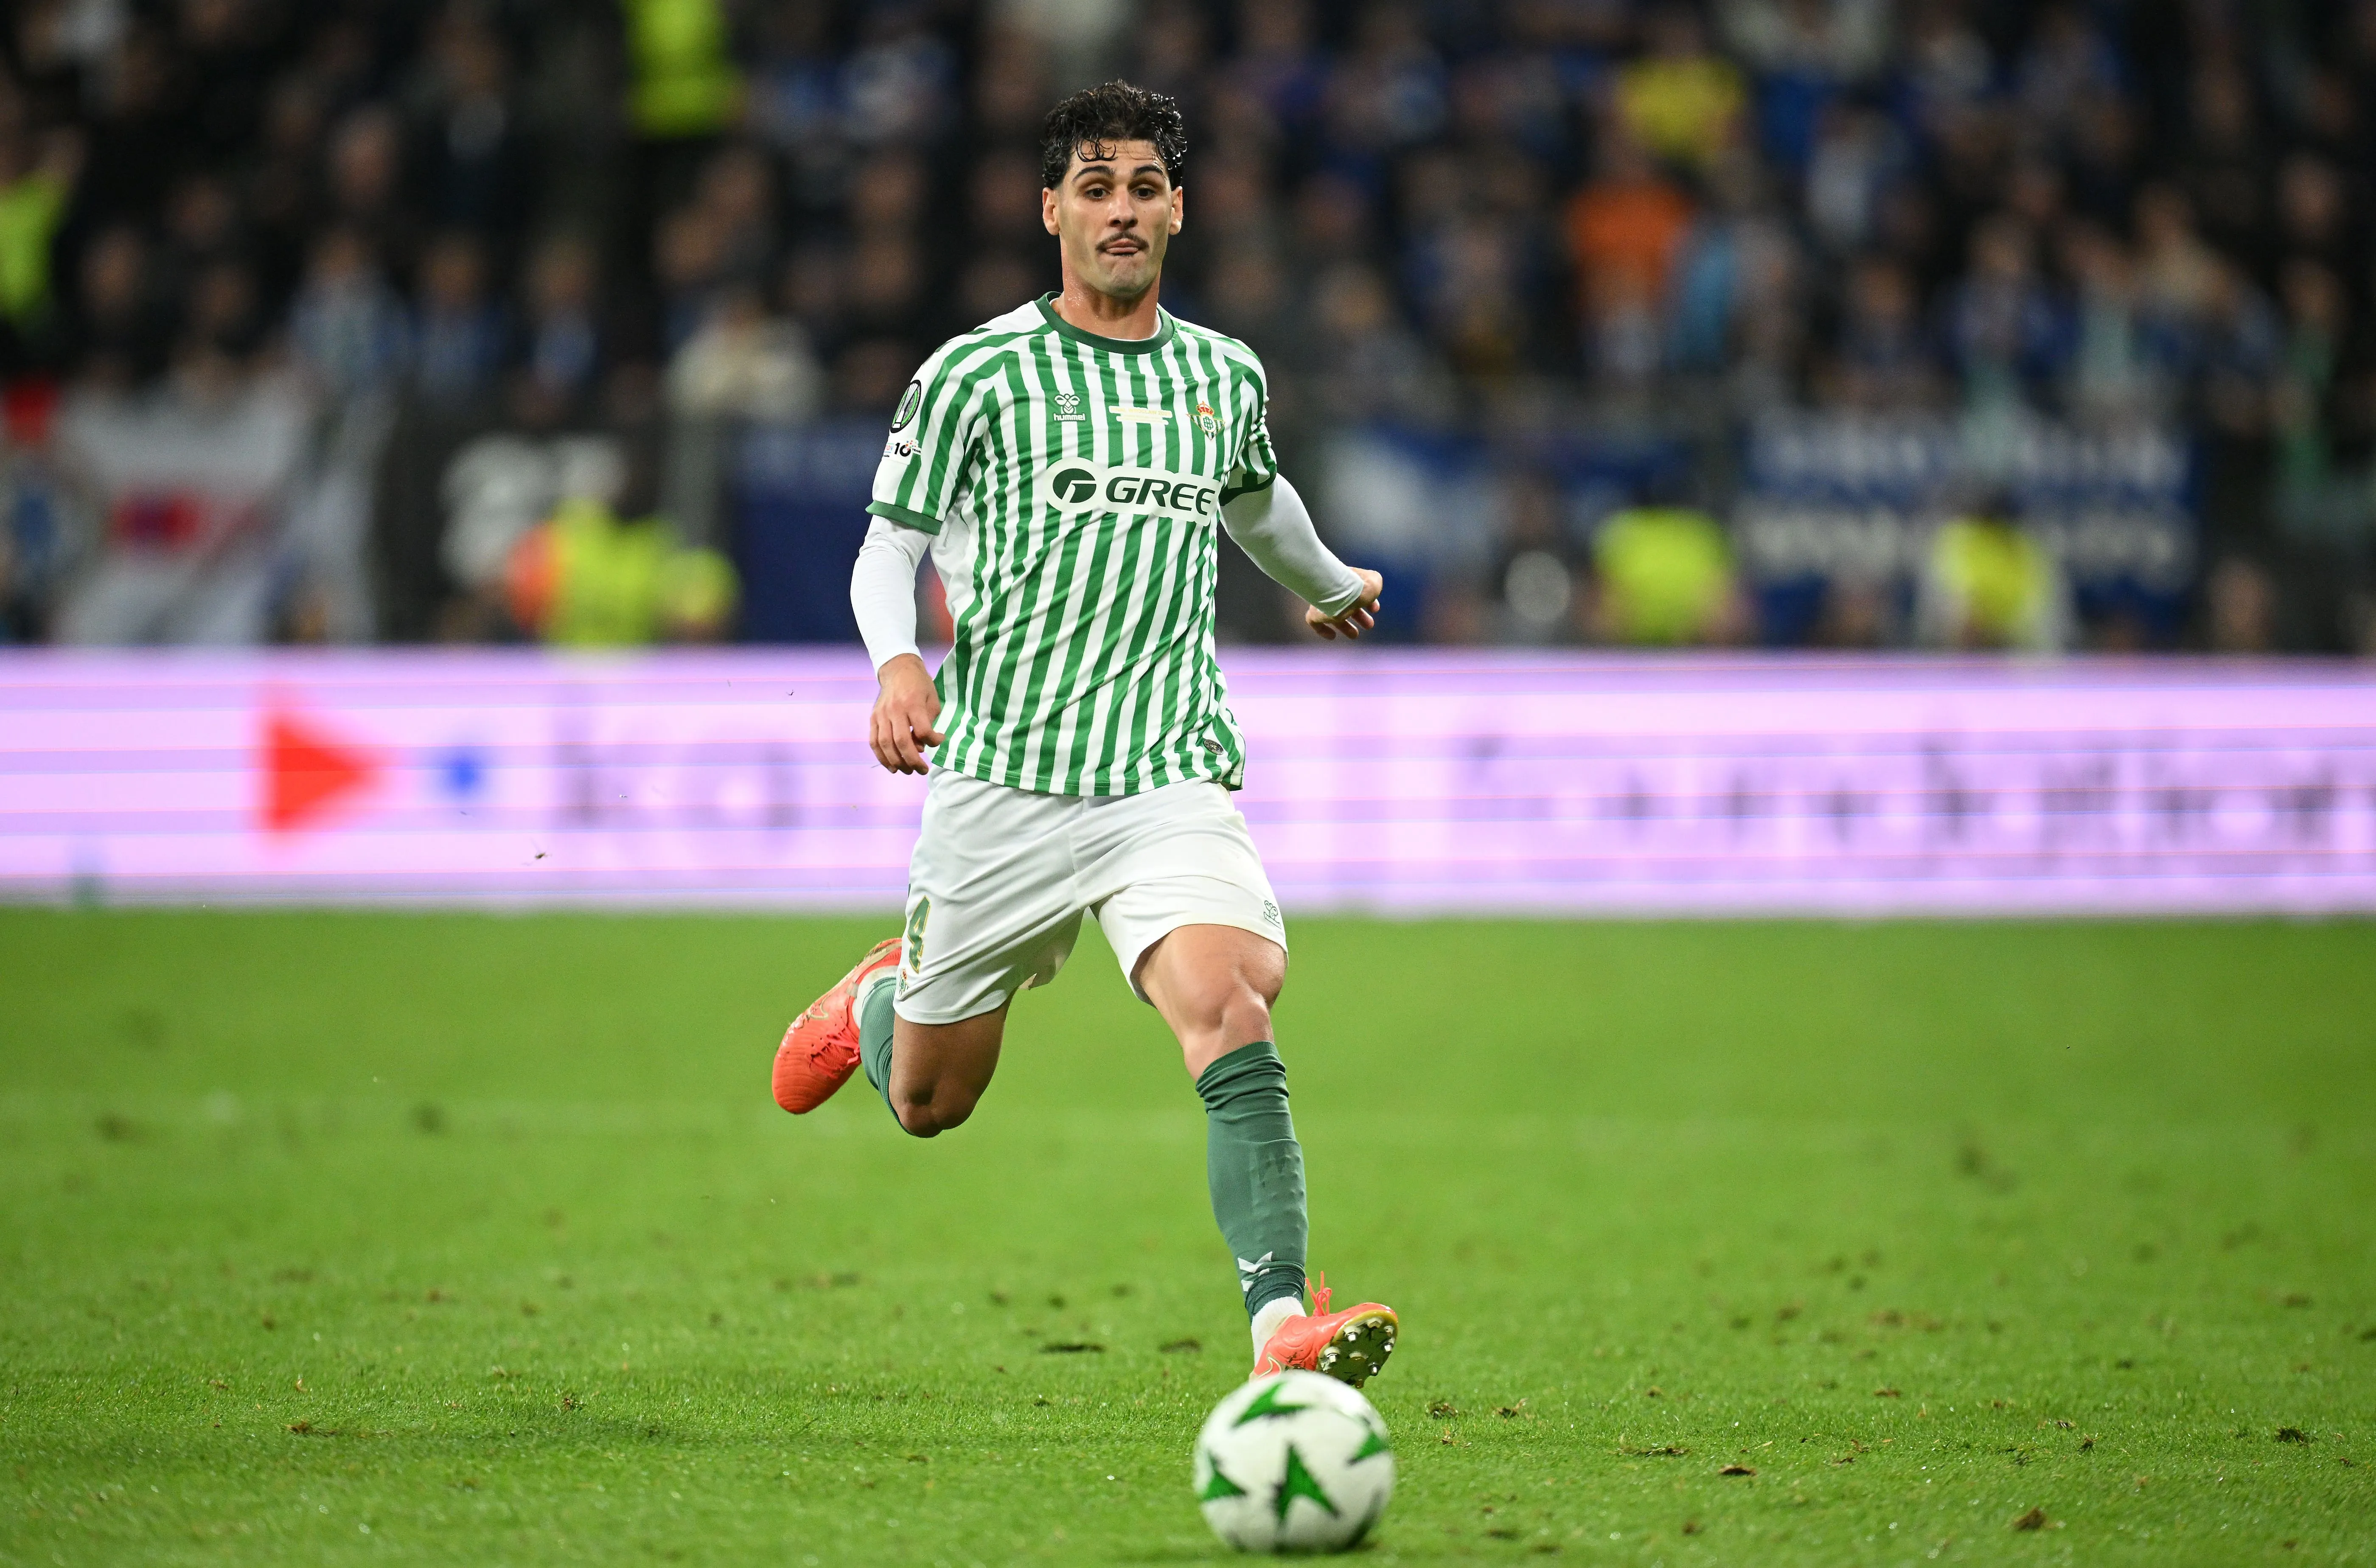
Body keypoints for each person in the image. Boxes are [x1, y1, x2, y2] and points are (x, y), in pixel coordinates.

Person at [771, 81, 1397, 1388]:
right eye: (1096, 187)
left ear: (1180, 207)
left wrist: (1329, 581)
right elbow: (886, 550)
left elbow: (1256, 502)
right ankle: (884, 998)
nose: (1122, 210)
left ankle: (1281, 1321)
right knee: (935, 1103)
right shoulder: (975, 374)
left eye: (1145, 186)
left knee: (1231, 1001)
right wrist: (897, 664)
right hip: (1001, 778)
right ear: (1050, 207)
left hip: (1162, 770)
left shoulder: (1221, 374)